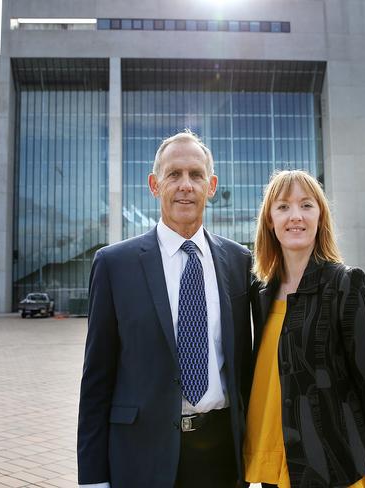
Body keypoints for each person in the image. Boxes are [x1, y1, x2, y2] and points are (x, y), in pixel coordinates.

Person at [77, 130, 253, 488]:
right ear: (155, 185)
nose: (185, 185)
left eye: (195, 175)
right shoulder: (114, 265)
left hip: (221, 458)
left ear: (212, 185)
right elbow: (96, 380)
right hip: (141, 459)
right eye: (174, 174)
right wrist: (93, 479)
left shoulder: (240, 261)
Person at [244, 170, 365, 488]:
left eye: (306, 205)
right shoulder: (260, 292)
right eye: (283, 207)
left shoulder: (344, 284)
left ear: (320, 216)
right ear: (270, 221)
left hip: (329, 471)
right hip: (273, 463)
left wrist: (348, 447)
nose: (295, 216)